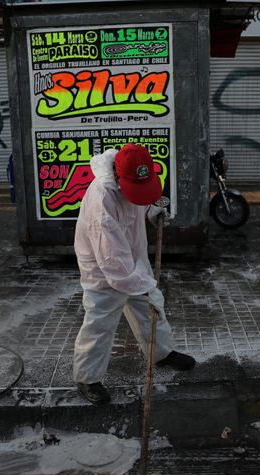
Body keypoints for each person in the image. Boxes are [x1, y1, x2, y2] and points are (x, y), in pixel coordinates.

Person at [72, 144, 196, 405]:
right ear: (118, 178)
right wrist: (148, 287)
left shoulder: (134, 175)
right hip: (103, 264)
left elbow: (148, 197)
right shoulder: (102, 200)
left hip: (131, 253)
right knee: (101, 318)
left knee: (148, 308)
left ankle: (160, 353)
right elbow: (114, 264)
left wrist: (158, 207)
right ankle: (87, 376)